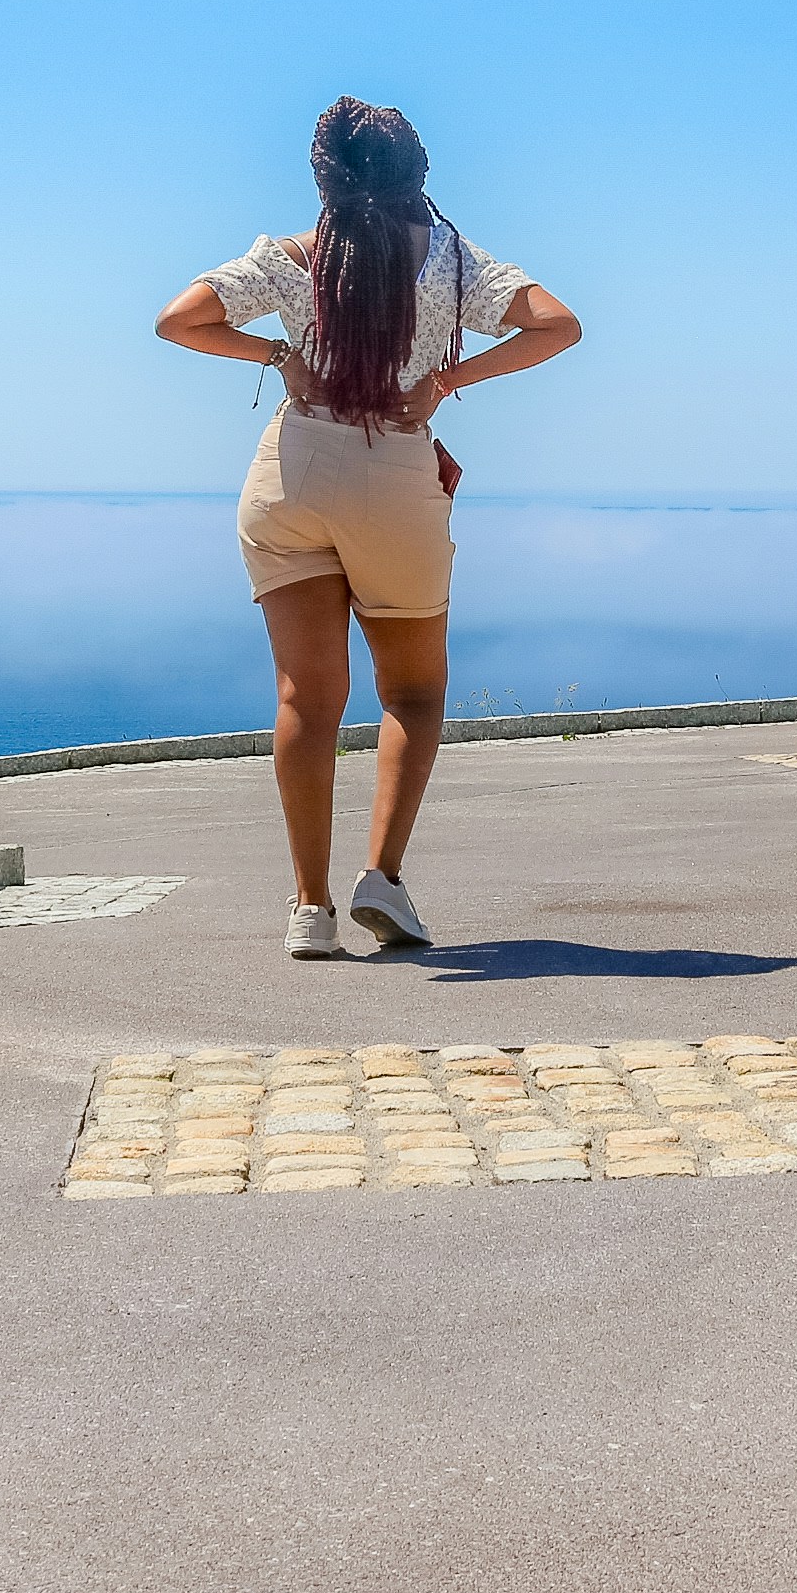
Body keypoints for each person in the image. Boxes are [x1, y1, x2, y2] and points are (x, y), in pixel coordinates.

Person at [154, 100, 583, 961]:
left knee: (304, 701)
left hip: (294, 473)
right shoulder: (452, 257)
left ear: (325, 177)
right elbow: (557, 325)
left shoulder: (288, 259)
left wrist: (281, 358)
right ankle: (380, 879)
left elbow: (179, 319)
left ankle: (309, 910)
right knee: (412, 693)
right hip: (394, 472)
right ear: (414, 174)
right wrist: (444, 380)